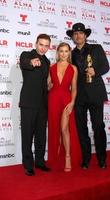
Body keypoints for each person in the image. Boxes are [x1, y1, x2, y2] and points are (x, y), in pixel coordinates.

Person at [66, 23, 110, 169]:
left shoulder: (96, 48)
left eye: (81, 33)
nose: (78, 35)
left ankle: (102, 158)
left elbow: (106, 66)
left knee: (98, 126)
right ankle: (86, 158)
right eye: (75, 34)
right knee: (81, 129)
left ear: (85, 35)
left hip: (96, 94)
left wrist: (95, 71)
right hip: (79, 97)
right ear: (73, 37)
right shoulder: (70, 54)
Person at [19, 34, 51, 176]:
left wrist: (49, 86)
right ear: (36, 44)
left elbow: (43, 82)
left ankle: (39, 161)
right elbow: (24, 62)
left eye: (46, 45)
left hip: (42, 104)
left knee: (41, 135)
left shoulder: (47, 61)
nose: (43, 48)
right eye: (41, 44)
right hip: (28, 103)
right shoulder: (26, 55)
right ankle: (28, 165)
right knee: (27, 135)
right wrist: (31, 62)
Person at [47, 42, 81, 172]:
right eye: (61, 51)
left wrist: (72, 102)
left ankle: (67, 156)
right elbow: (48, 85)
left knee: (64, 128)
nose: (63, 54)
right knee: (55, 129)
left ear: (69, 53)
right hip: (53, 99)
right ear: (57, 53)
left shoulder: (73, 68)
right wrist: (48, 85)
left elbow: (74, 88)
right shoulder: (51, 67)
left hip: (66, 100)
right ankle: (55, 157)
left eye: (66, 51)